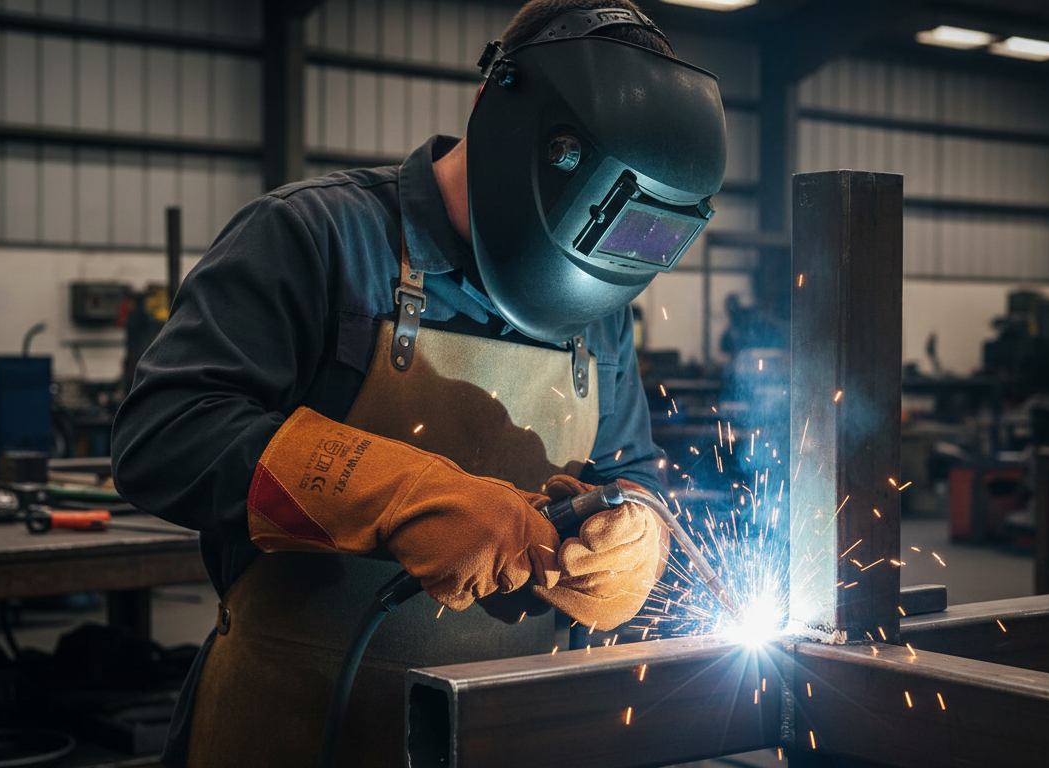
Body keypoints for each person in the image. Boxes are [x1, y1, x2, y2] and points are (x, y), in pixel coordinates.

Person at [110, 1, 726, 765]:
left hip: (513, 736)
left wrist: (640, 534)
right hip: (297, 726)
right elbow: (163, 435)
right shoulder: (316, 235)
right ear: (499, 106)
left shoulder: (598, 312)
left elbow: (631, 474)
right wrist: (399, 495)